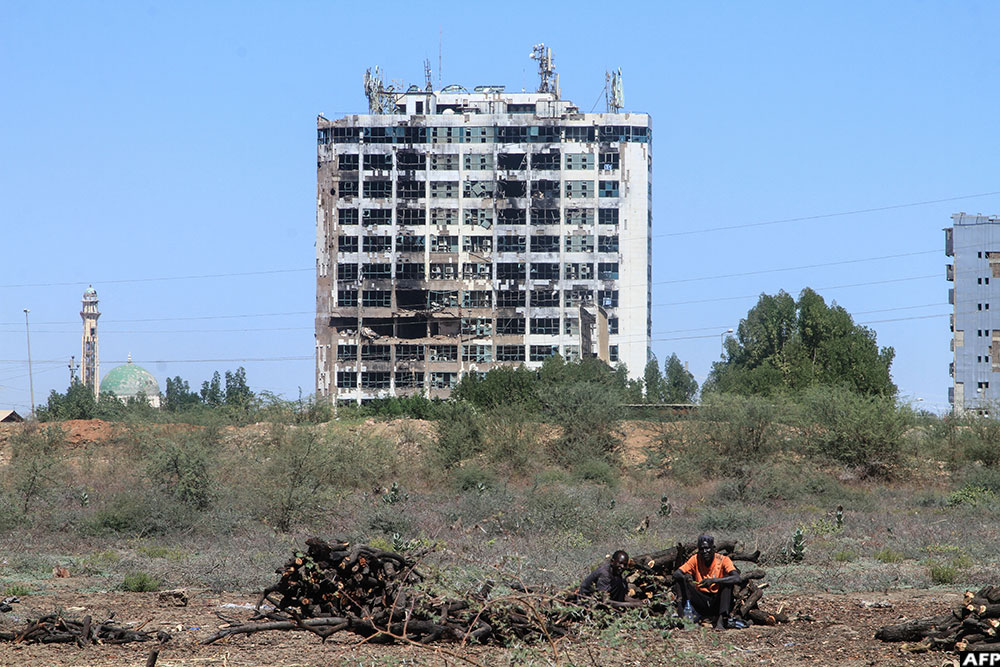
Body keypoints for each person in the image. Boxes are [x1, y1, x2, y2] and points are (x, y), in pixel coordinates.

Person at [672, 534, 741, 629]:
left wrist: (714, 581)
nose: (704, 552)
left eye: (707, 548)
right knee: (679, 582)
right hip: (701, 601)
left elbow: (737, 578)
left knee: (727, 584)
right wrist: (685, 578)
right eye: (701, 549)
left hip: (717, 601)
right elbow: (676, 574)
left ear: (713, 548)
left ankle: (721, 621)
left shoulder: (723, 560)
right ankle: (683, 619)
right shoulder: (695, 559)